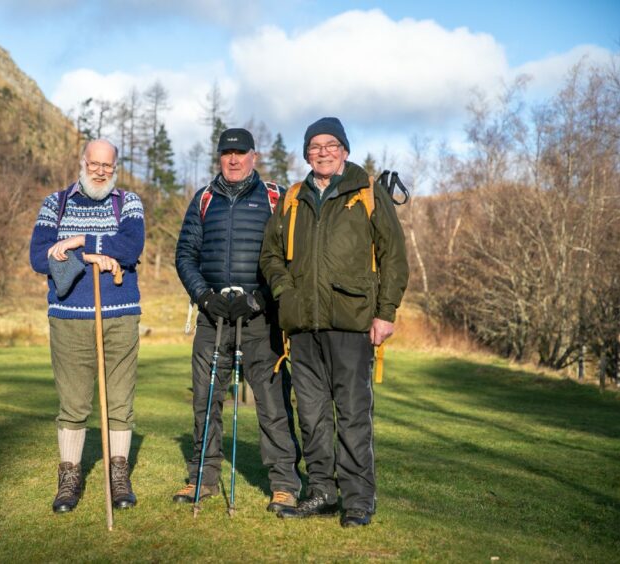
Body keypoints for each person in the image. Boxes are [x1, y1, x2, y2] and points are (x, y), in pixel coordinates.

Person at [260, 117, 408, 527]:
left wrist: (386, 312)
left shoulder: (368, 193)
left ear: (344, 149)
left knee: (353, 414)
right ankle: (322, 491)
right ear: (306, 153)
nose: (322, 152)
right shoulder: (292, 198)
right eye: (314, 146)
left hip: (352, 322)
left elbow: (394, 256)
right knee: (310, 414)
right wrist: (284, 291)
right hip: (303, 325)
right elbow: (270, 255)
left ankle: (359, 500)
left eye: (330, 145)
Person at [174, 127, 302, 512]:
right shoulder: (204, 199)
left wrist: (260, 298)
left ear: (253, 156)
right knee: (206, 399)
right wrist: (204, 296)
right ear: (219, 158)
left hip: (261, 318)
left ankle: (284, 484)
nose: (233, 159)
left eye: (240, 152)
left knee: (273, 401)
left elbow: (290, 257)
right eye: (226, 153)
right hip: (214, 318)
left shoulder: (275, 198)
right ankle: (202, 477)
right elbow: (185, 256)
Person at [29, 139, 145, 514]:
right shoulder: (55, 203)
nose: (100, 171)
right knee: (74, 404)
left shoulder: (128, 202)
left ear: (115, 168)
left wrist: (77, 241)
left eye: (107, 166)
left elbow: (131, 247)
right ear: (82, 163)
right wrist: (96, 256)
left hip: (121, 314)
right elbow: (38, 256)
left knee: (119, 402)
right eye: (94, 164)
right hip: (69, 318)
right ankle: (69, 477)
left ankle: (118, 475)